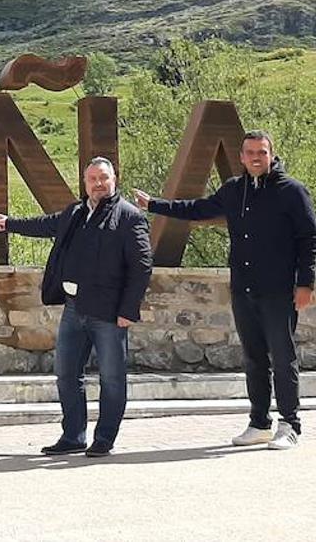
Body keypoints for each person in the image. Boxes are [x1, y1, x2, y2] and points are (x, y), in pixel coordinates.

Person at [134, 130, 316, 450]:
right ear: (242, 157)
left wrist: (306, 283)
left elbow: (309, 240)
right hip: (243, 290)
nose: (256, 158)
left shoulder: (292, 191)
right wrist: (155, 204)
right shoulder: (235, 190)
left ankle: (290, 424)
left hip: (278, 291)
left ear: (271, 155)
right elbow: (198, 208)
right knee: (254, 358)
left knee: (283, 356)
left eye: (262, 152)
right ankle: (259, 423)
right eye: (250, 153)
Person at [0, 156, 152, 457]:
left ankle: (104, 438)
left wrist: (128, 311)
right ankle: (73, 436)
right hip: (74, 309)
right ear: (85, 182)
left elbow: (142, 267)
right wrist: (10, 224)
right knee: (66, 374)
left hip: (108, 313)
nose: (98, 184)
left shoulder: (130, 217)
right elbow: (47, 224)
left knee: (112, 378)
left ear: (114, 179)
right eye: (92, 179)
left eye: (104, 178)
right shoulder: (76, 213)